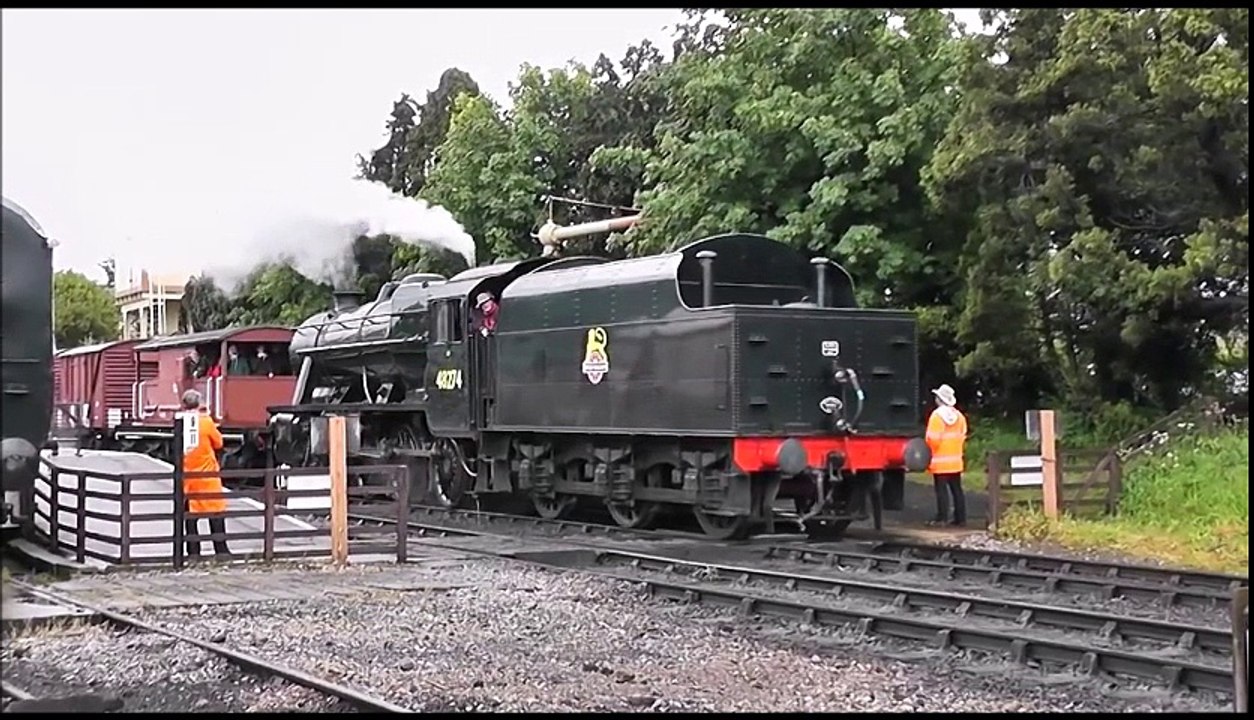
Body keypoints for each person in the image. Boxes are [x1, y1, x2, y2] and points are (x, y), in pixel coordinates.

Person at [179, 389, 231, 557]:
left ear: (184, 405)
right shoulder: (206, 422)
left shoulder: (181, 422)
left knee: (191, 517)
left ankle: (193, 552)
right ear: (199, 403)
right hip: (207, 476)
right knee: (215, 513)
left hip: (188, 478)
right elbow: (219, 443)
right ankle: (221, 550)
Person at [925, 383, 968, 527]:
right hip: (955, 460)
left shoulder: (936, 416)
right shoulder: (959, 416)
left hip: (939, 461)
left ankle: (942, 517)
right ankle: (960, 518)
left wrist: (930, 452)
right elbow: (963, 435)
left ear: (939, 399)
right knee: (957, 489)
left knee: (941, 490)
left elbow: (932, 439)